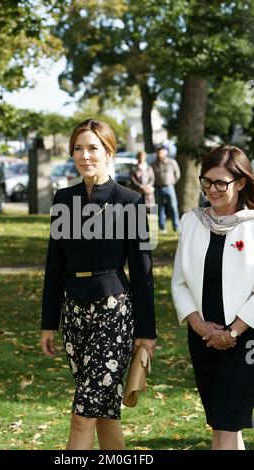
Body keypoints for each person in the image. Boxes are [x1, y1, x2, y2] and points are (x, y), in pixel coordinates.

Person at [40, 119, 157, 450]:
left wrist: (146, 333)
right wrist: (48, 323)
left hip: (114, 314)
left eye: (93, 148)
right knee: (103, 413)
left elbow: (143, 272)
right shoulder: (64, 199)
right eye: (78, 148)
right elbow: (54, 266)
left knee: (82, 416)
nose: (84, 155)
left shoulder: (130, 201)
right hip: (74, 315)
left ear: (109, 153)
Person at [172, 145, 254, 450]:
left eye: (221, 182)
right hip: (203, 339)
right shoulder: (191, 222)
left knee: (225, 427)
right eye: (206, 181)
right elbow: (179, 282)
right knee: (223, 422)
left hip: (245, 340)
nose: (212, 190)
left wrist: (233, 332)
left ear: (241, 182)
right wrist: (198, 325)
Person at [153, 144, 180, 233]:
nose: (159, 154)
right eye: (158, 152)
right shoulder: (154, 164)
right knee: (160, 208)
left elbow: (177, 174)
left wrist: (172, 183)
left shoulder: (172, 162)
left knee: (173, 207)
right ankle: (162, 228)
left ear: (165, 152)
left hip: (169, 187)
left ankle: (176, 226)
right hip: (157, 188)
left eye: (161, 152)